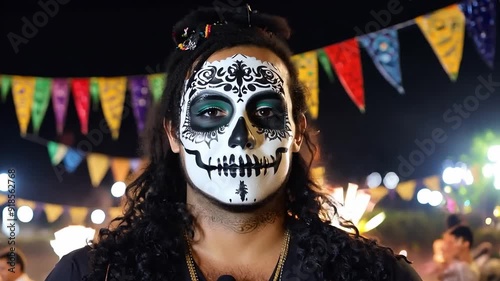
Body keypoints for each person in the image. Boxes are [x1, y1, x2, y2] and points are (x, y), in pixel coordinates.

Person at [45, 5, 422, 281]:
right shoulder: (92, 275)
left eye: (267, 112)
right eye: (211, 112)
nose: (241, 138)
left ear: (296, 132)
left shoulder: (376, 275)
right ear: (174, 135)